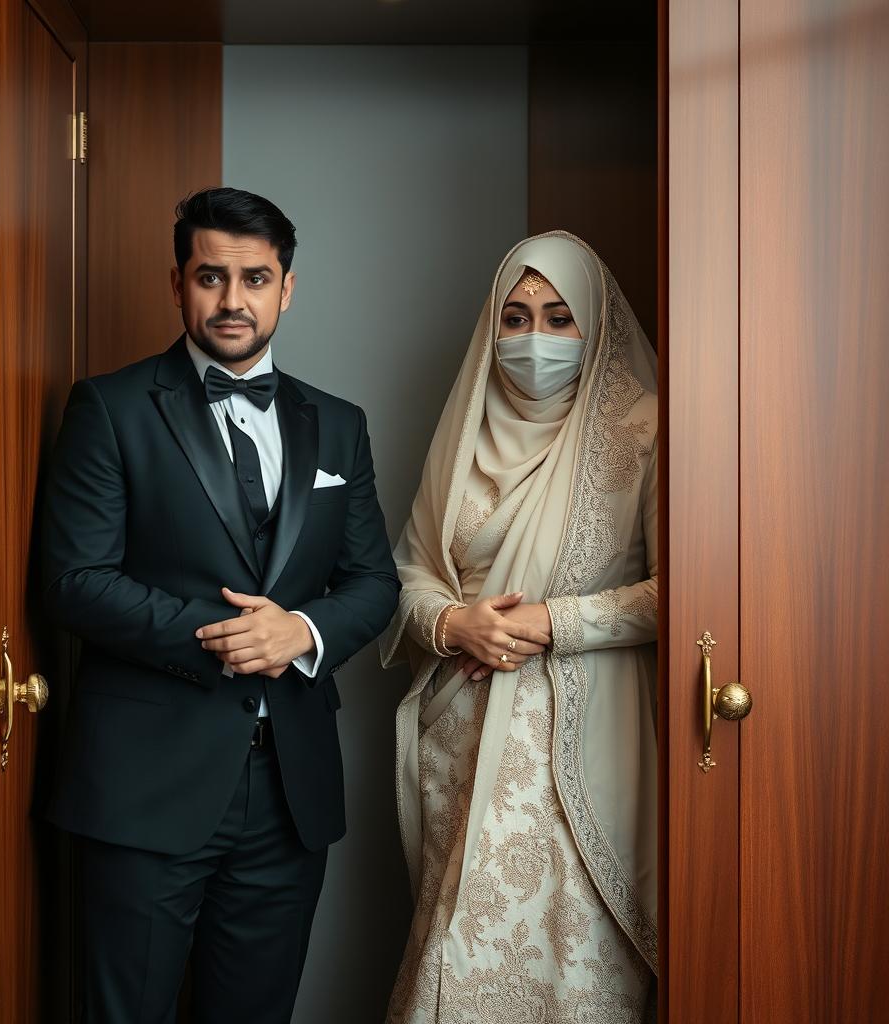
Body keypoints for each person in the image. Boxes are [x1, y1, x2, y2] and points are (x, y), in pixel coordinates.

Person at [43, 186, 400, 1023]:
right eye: (211, 277)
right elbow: (74, 580)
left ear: (287, 287)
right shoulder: (112, 407)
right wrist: (228, 639)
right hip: (146, 785)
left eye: (254, 278)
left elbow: (374, 582)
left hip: (289, 795)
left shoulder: (338, 425)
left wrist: (300, 632)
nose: (233, 300)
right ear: (178, 286)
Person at [381, 231, 658, 1022]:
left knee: (572, 959)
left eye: (559, 318)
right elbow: (406, 573)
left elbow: (685, 595)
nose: (533, 339)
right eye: (516, 316)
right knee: (459, 957)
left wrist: (551, 621)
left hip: (581, 744)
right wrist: (452, 622)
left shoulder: (645, 432)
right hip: (465, 738)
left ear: (596, 327)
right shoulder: (465, 429)